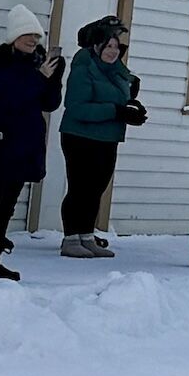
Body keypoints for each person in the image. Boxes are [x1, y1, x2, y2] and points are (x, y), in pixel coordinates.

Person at [0, 5, 63, 280]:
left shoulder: (37, 65)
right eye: (27, 35)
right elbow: (9, 100)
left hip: (26, 143)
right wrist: (40, 79)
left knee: (8, 204)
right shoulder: (1, 64)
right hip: (4, 142)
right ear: (13, 36)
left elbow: (49, 103)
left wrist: (55, 79)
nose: (33, 41)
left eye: (36, 37)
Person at [57, 17, 143, 258]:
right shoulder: (84, 66)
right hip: (80, 137)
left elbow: (118, 101)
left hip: (107, 138)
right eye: (108, 46)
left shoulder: (118, 71)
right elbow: (76, 107)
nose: (113, 51)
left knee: (96, 189)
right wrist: (116, 111)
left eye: (117, 46)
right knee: (80, 188)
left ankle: (86, 235)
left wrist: (132, 109)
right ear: (96, 46)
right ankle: (70, 238)